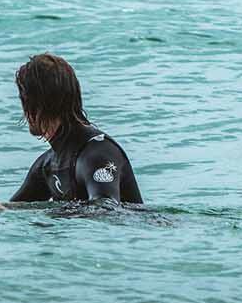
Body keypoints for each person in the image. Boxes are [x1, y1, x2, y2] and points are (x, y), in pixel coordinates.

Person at [10, 53, 143, 205]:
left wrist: (58, 213)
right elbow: (7, 213)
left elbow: (107, 209)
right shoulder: (47, 165)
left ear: (33, 105)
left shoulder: (98, 154)